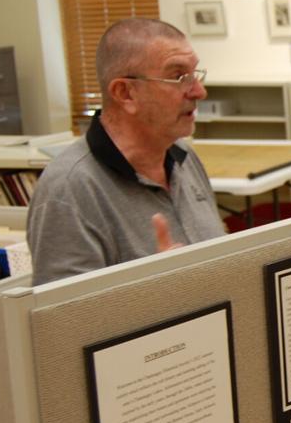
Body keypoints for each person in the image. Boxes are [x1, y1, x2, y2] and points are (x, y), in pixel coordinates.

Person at [27, 18, 225, 285]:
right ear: (125, 93)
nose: (199, 91)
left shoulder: (184, 158)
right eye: (178, 76)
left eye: (195, 74)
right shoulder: (69, 189)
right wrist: (156, 289)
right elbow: (66, 311)